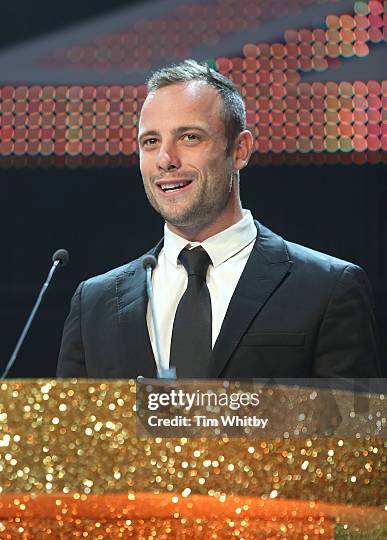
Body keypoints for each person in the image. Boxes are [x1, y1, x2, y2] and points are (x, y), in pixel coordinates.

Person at [57, 59, 381, 379]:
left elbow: (351, 429)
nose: (166, 160)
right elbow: (68, 432)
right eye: (151, 142)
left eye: (189, 137)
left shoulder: (327, 289)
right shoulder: (94, 304)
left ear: (240, 150)